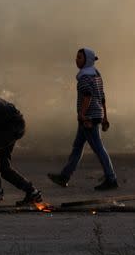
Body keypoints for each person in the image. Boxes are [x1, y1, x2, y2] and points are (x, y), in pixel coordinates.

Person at [48, 48, 117, 190]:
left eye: (80, 58)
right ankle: (64, 176)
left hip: (88, 118)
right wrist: (105, 117)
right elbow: (102, 97)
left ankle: (111, 179)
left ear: (87, 60)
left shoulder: (84, 77)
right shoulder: (96, 75)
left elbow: (87, 95)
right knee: (77, 147)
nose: (77, 60)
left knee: (98, 148)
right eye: (77, 57)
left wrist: (82, 114)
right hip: (95, 115)